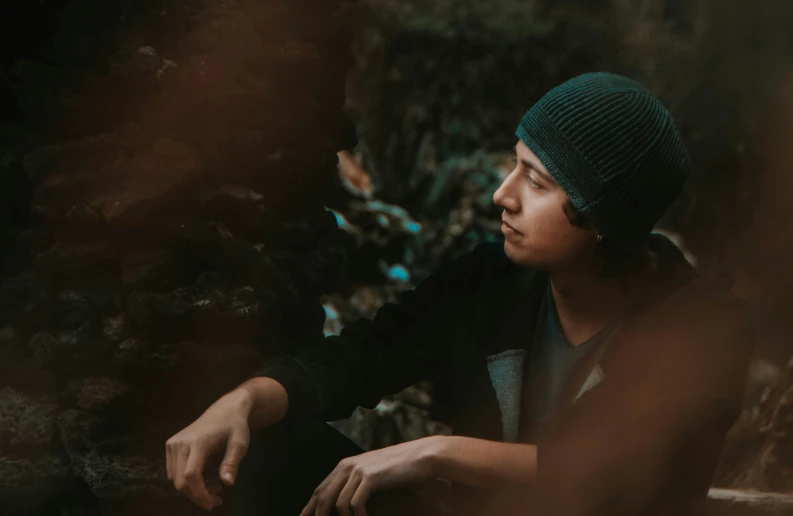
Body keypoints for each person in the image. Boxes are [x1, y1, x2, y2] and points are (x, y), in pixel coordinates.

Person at [165, 72, 753, 516]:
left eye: (536, 182)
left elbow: (619, 474)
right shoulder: (494, 278)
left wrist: (434, 451)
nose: (504, 194)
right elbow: (365, 353)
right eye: (514, 166)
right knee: (263, 443)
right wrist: (243, 399)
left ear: (602, 217)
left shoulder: (700, 328)